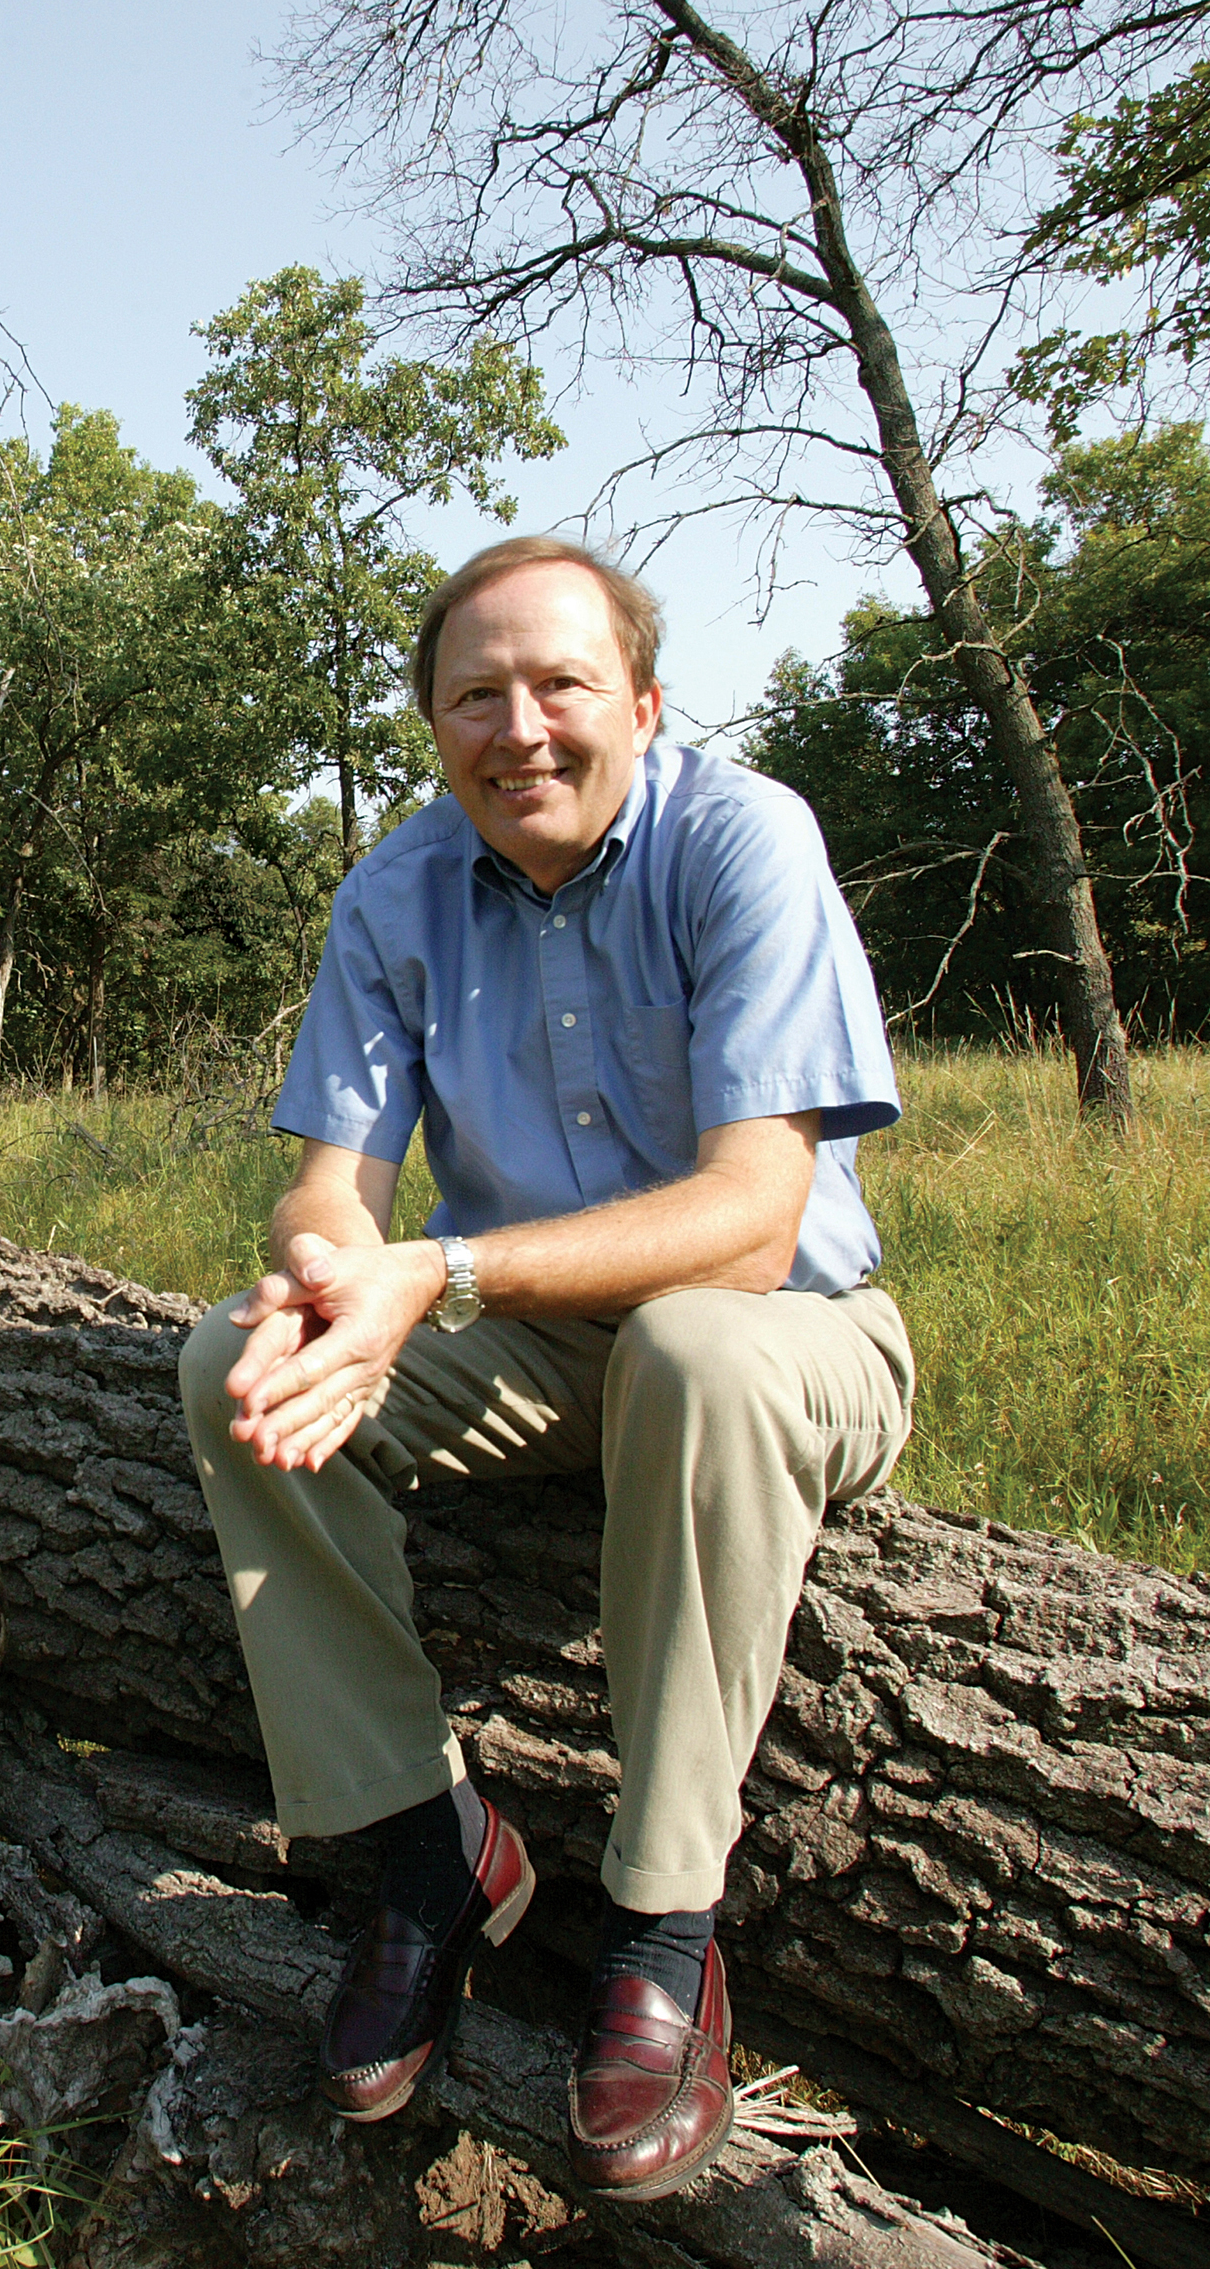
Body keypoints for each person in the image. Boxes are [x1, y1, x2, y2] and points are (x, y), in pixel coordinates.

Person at [177, 534, 913, 2201]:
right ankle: (430, 1848)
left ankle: (665, 1926)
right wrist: (320, 1274)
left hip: (785, 1339)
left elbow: (748, 1222)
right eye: (476, 696)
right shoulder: (397, 887)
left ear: (643, 703)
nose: (521, 728)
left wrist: (430, 1271)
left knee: (696, 1349)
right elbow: (333, 1180)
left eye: (563, 684)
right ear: (434, 726)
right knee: (227, 1353)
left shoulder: (746, 843)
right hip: (528, 1346)